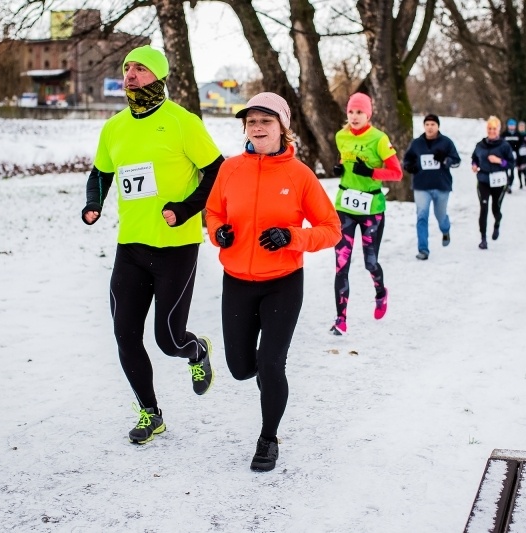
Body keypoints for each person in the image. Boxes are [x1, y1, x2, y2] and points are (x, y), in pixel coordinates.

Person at [81, 45, 224, 444]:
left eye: (140, 68)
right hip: (131, 247)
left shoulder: (183, 123)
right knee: (124, 333)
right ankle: (150, 413)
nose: (130, 74)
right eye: (127, 67)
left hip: (176, 247)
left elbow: (218, 172)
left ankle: (195, 351)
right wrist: (94, 203)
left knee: (168, 339)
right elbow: (101, 172)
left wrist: (185, 208)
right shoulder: (114, 128)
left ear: (158, 75)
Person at [205, 92, 341, 472]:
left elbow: (332, 230)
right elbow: (213, 212)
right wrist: (219, 234)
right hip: (237, 282)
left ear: (283, 126)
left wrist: (292, 236)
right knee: (240, 367)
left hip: (283, 282)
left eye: (266, 120)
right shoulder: (231, 169)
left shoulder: (299, 175)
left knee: (271, 363)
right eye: (251, 122)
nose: (258, 127)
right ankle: (265, 380)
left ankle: (268, 438)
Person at [330, 93, 403, 335]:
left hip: (371, 208)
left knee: (370, 262)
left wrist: (371, 172)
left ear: (368, 114)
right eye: (351, 112)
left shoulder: (379, 139)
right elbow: (344, 159)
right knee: (341, 264)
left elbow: (397, 173)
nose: (354, 116)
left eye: (359, 112)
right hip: (345, 206)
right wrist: (340, 167)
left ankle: (381, 292)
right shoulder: (341, 136)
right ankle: (340, 319)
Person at [402, 114, 461, 260]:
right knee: (422, 216)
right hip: (422, 186)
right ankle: (423, 249)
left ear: (438, 126)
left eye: (433, 124)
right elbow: (407, 160)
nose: (430, 127)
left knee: (440, 215)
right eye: (427, 124)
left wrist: (445, 160)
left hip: (441, 186)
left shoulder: (446, 142)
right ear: (424, 126)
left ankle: (445, 229)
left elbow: (457, 161)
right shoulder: (417, 143)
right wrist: (410, 166)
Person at [471, 116, 514, 249]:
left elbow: (511, 163)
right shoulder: (480, 145)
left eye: (494, 129)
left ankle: (497, 223)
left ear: (498, 130)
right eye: (489, 128)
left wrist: (499, 161)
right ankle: (483, 238)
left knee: (496, 208)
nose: (491, 131)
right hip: (483, 180)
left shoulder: (504, 146)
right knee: (483, 209)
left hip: (499, 181)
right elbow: (474, 158)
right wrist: (474, 165)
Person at [500, 118, 520, 192]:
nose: (511, 127)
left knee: (512, 171)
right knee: (505, 171)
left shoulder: (518, 134)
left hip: (514, 157)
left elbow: (520, 145)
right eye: (510, 125)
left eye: (513, 125)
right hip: (505, 156)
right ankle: (506, 184)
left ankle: (510, 185)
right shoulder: (504, 134)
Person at [515, 120, 526, 189]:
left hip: (525, 154)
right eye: (520, 126)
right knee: (519, 169)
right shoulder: (516, 135)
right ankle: (520, 183)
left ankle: (525, 179)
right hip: (518, 154)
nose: (521, 128)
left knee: (524, 168)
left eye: (523, 126)